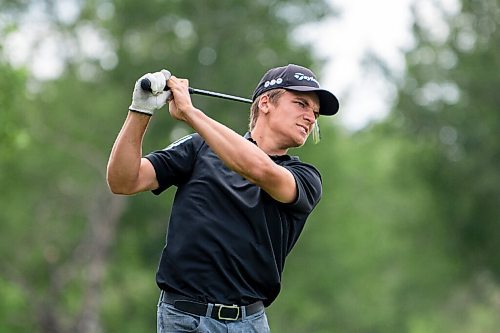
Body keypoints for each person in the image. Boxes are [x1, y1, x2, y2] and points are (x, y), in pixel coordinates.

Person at [106, 64, 339, 332]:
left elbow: (258, 169)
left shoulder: (304, 177)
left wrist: (191, 113)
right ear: (265, 103)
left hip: (249, 323)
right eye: (301, 104)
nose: (310, 117)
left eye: (315, 112)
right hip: (185, 319)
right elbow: (124, 181)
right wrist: (140, 110)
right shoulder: (199, 148)